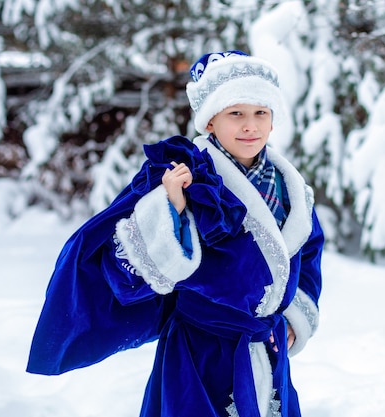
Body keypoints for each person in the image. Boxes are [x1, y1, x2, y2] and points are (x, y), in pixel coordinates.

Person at [27, 50, 324, 417]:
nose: (250, 126)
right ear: (210, 122)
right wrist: (171, 208)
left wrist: (296, 315)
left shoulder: (290, 187)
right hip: (199, 348)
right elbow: (125, 265)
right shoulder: (186, 175)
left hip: (267, 343)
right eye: (236, 114)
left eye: (260, 112)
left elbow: (308, 252)